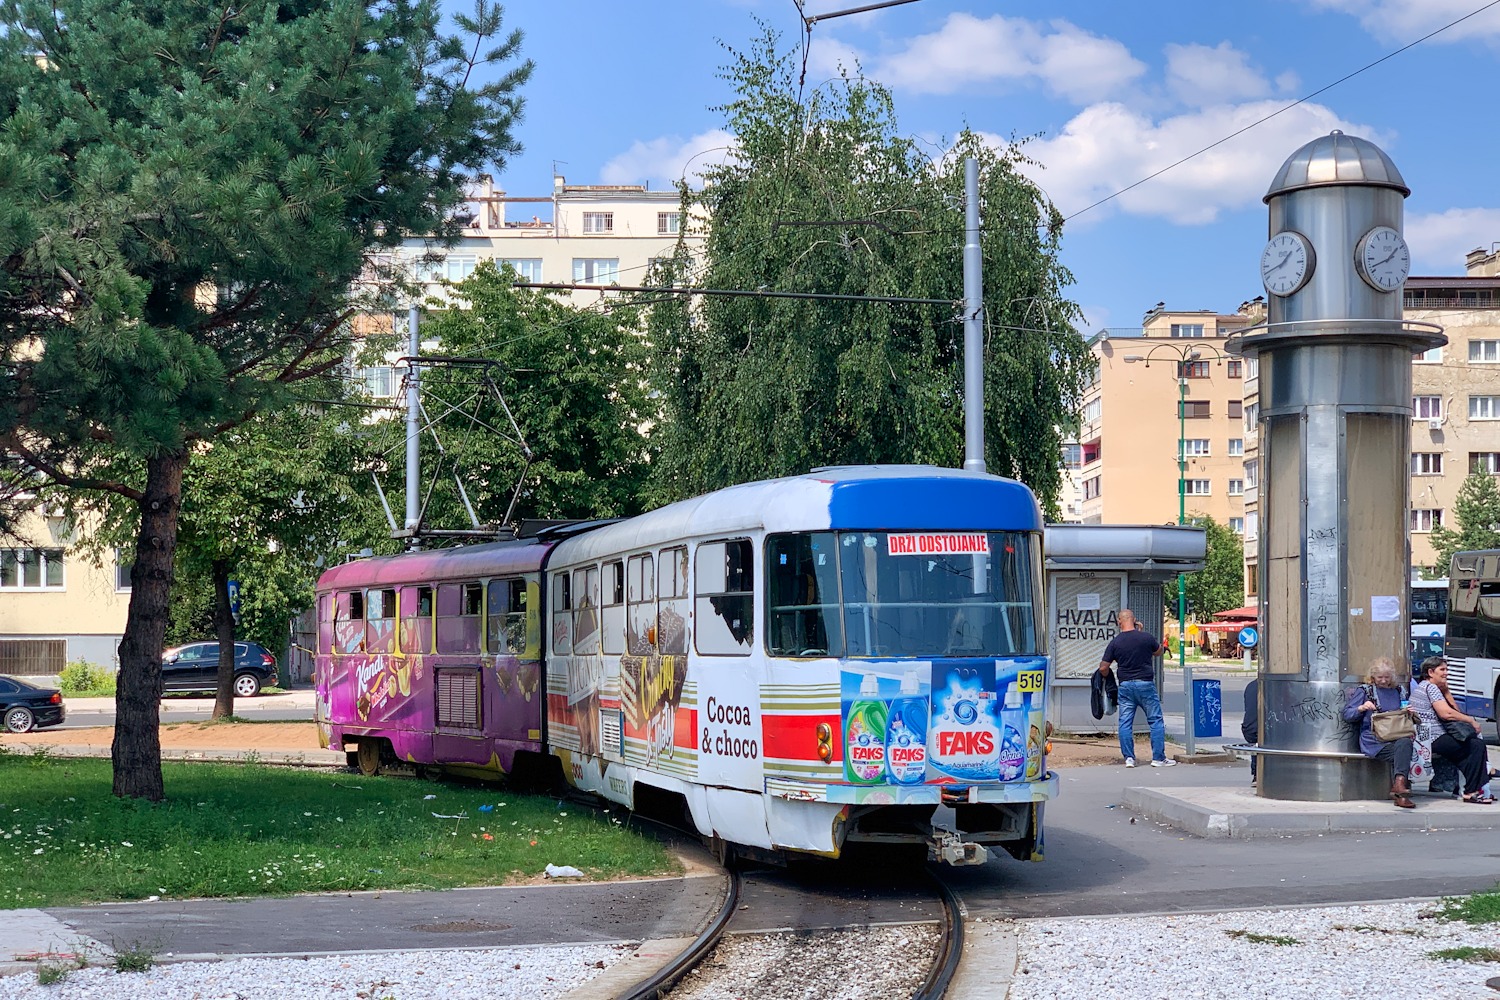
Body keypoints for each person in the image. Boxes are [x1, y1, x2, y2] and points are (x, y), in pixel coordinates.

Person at [1098, 609, 1175, 768]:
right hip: (1145, 684)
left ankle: (1129, 759)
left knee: (1125, 723)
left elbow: (1103, 667)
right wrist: (1141, 631)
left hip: (1125, 686)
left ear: (1120, 621)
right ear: (1134, 620)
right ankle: (1158, 758)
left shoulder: (1116, 642)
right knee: (1155, 720)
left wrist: (1107, 677)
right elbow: (1159, 651)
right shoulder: (1145, 638)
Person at [1410, 656, 1492, 803]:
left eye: (1446, 669)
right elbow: (1446, 714)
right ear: (1430, 672)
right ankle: (1471, 791)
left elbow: (1454, 709)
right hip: (1432, 737)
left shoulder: (1427, 687)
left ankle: (1477, 788)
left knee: (1473, 746)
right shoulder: (1430, 687)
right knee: (1475, 746)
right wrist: (1471, 721)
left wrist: (1447, 692)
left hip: (1430, 735)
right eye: (1442, 669)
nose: (1446, 673)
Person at [1342, 657, 1417, 808]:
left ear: (1392, 677)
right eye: (1379, 677)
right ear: (1373, 676)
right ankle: (1400, 791)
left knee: (1405, 744)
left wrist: (1408, 712)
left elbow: (1404, 715)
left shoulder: (1399, 691)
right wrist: (1361, 708)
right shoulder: (1365, 691)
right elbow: (1347, 715)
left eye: (1387, 677)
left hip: (1396, 735)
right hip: (1375, 740)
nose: (1383, 681)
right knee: (1403, 749)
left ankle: (1399, 788)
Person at [1242, 677, 1259, 783]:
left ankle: (1256, 773)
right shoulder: (1275, 687)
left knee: (1256, 742)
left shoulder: (1251, 686)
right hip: (1262, 729)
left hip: (1248, 728)